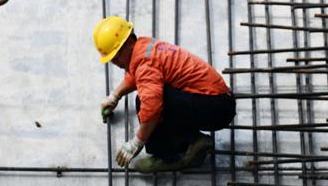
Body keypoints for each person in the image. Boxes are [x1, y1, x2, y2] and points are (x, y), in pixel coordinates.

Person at [93, 16, 236, 174]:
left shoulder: (144, 62)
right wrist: (115, 96)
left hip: (215, 108)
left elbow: (151, 107)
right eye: (112, 60)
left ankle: (169, 156)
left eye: (117, 56)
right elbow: (138, 74)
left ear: (128, 43)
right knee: (153, 96)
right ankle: (194, 141)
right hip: (217, 102)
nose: (117, 63)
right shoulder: (144, 48)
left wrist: (137, 142)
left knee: (147, 102)